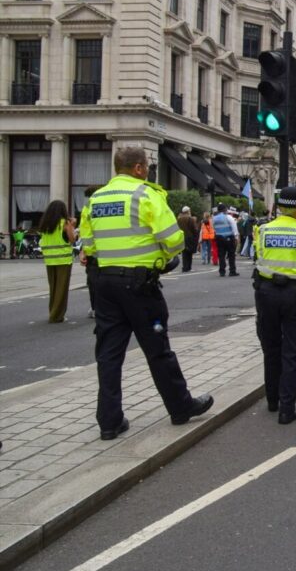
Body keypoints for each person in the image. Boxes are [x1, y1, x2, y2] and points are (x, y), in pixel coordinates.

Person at [79, 146, 213, 440]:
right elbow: (173, 239)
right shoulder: (146, 195)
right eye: (147, 166)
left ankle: (109, 421)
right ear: (139, 168)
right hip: (140, 288)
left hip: (105, 286)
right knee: (157, 350)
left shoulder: (96, 199)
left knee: (109, 354)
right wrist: (164, 255)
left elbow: (87, 244)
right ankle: (180, 407)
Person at [253, 186, 296, 424]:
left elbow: (258, 255)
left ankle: (272, 400)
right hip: (295, 294)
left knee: (270, 348)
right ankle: (286, 408)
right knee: (292, 351)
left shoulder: (261, 230)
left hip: (266, 293)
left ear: (280, 206)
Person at [38, 199, 76, 323]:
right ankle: (56, 315)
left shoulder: (45, 224)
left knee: (53, 288)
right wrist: (73, 226)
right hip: (63, 259)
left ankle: (52, 310)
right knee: (61, 288)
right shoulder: (65, 223)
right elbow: (72, 239)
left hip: (49, 260)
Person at [81, 185, 102, 318]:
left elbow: (86, 233)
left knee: (93, 283)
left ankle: (95, 307)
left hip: (94, 254)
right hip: (110, 253)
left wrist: (85, 251)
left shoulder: (88, 207)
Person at [212, 203, 239, 277]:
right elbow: (234, 227)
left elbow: (213, 228)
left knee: (221, 255)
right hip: (229, 237)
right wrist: (236, 237)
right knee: (231, 255)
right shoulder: (228, 217)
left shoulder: (214, 218)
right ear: (224, 209)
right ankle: (232, 271)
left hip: (219, 237)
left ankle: (222, 271)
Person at [177, 206, 199, 272]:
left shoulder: (179, 219)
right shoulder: (190, 219)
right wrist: (196, 235)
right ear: (188, 211)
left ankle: (184, 267)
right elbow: (194, 229)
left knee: (184, 253)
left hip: (182, 237)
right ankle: (188, 267)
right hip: (190, 237)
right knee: (189, 253)